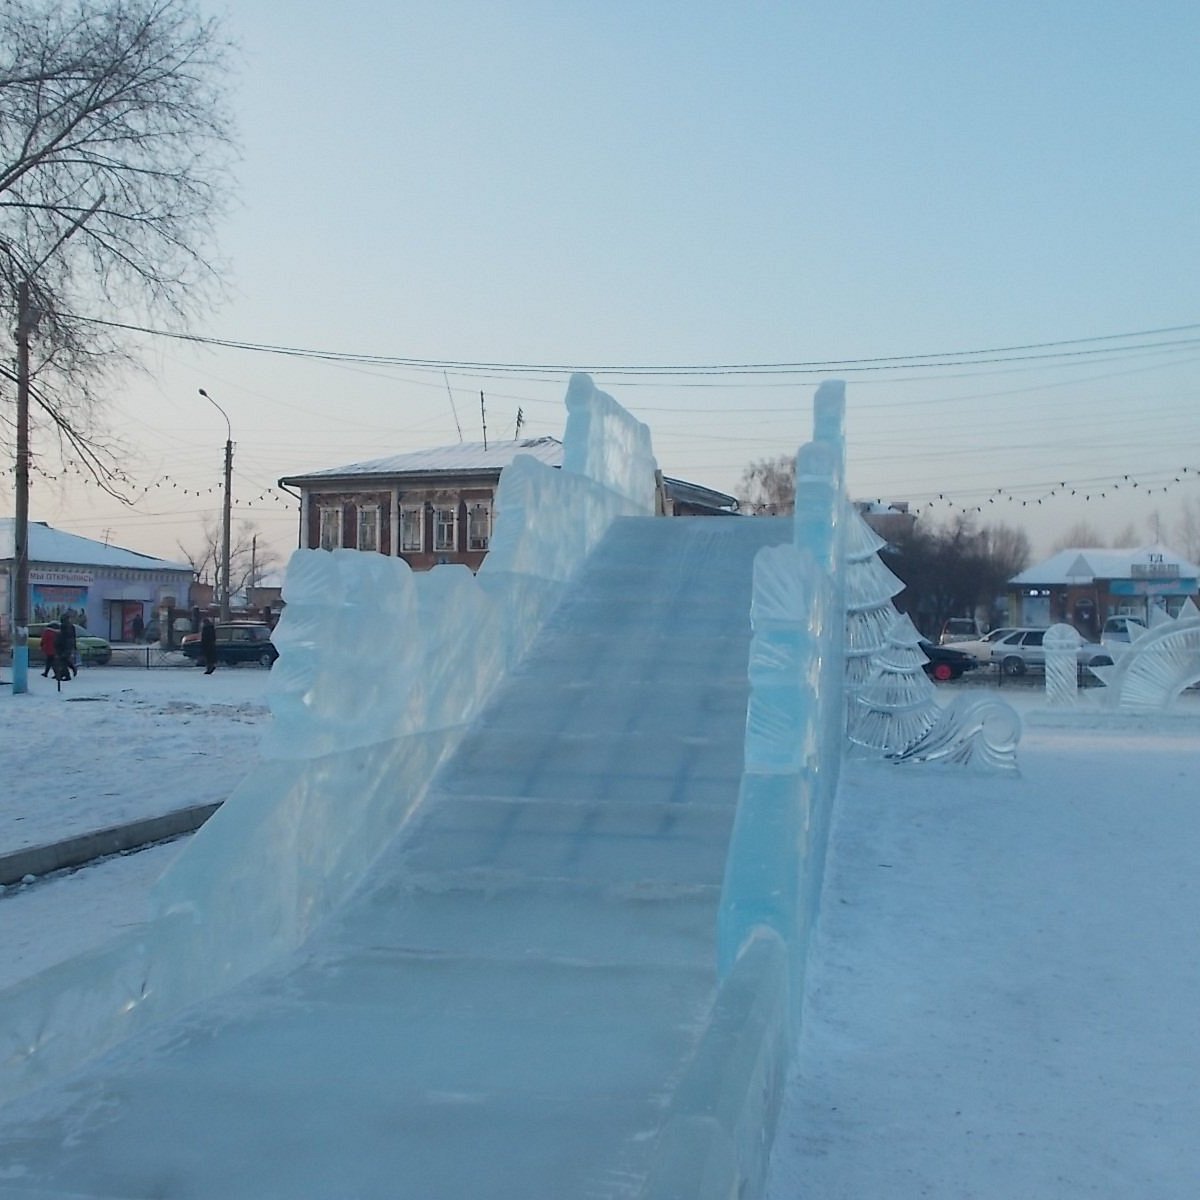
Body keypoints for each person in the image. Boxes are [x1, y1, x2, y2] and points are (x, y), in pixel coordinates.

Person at [54, 614, 78, 680]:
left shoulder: (63, 626)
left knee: (62, 660)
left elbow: (62, 636)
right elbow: (74, 637)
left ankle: (67, 675)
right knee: (64, 659)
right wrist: (74, 645)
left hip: (64, 645)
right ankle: (66, 672)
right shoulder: (71, 626)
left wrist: (57, 643)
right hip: (69, 645)